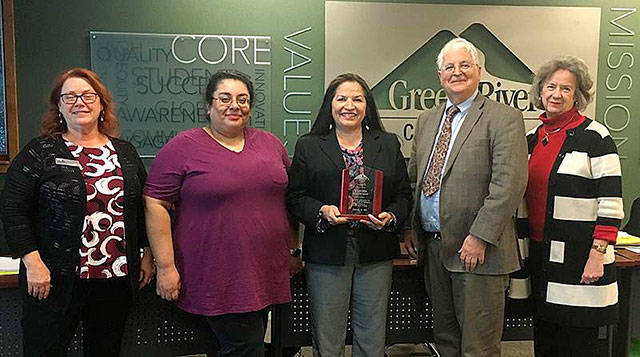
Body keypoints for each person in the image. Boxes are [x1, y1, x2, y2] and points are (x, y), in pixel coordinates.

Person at [144, 70, 300, 357]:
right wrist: (165, 266)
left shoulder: (270, 144)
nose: (235, 105)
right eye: (225, 98)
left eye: (243, 99)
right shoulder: (182, 147)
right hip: (215, 271)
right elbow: (155, 203)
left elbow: (287, 200)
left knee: (233, 346)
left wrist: (293, 250)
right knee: (244, 347)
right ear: (208, 105)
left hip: (266, 269)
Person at [1, 67, 153, 356]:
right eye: (69, 96)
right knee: (44, 349)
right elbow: (12, 209)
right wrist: (33, 263)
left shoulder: (125, 152)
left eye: (87, 95)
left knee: (105, 350)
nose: (79, 102)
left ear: (101, 104)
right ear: (58, 106)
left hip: (115, 278)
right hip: (53, 279)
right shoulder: (41, 151)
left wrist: (146, 253)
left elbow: (140, 206)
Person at [403, 38, 528, 356]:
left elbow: (508, 184)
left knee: (478, 346)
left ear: (479, 71)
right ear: (440, 75)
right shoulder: (428, 119)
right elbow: (417, 178)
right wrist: (410, 227)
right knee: (445, 341)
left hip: (477, 251)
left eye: (464, 65)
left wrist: (480, 236)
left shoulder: (503, 117)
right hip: (434, 248)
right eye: (449, 67)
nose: (456, 72)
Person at [287, 73, 411, 356]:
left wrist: (391, 217)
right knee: (328, 337)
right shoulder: (309, 144)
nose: (349, 105)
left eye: (357, 98)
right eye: (341, 98)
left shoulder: (388, 143)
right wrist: (321, 210)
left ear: (367, 106)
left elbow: (404, 195)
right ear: (330, 104)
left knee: (372, 335)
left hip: (375, 250)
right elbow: (295, 197)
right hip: (328, 251)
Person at [516, 56, 623, 356]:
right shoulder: (530, 139)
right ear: (540, 92)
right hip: (540, 256)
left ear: (577, 96)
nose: (556, 94)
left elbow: (611, 201)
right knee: (545, 338)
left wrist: (598, 254)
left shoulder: (596, 137)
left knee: (576, 342)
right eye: (551, 87)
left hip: (581, 258)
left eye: (566, 89)